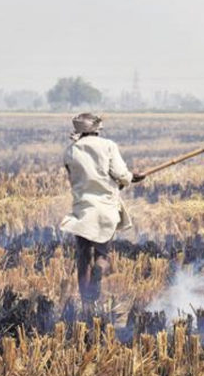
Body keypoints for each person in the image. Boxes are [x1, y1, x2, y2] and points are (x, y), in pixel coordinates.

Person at [60, 113, 145, 318]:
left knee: (82, 256)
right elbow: (121, 174)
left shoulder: (70, 151)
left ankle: (87, 304)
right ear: (97, 129)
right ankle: (99, 269)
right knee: (102, 254)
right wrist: (131, 178)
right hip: (106, 209)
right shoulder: (108, 145)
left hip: (83, 210)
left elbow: (76, 179)